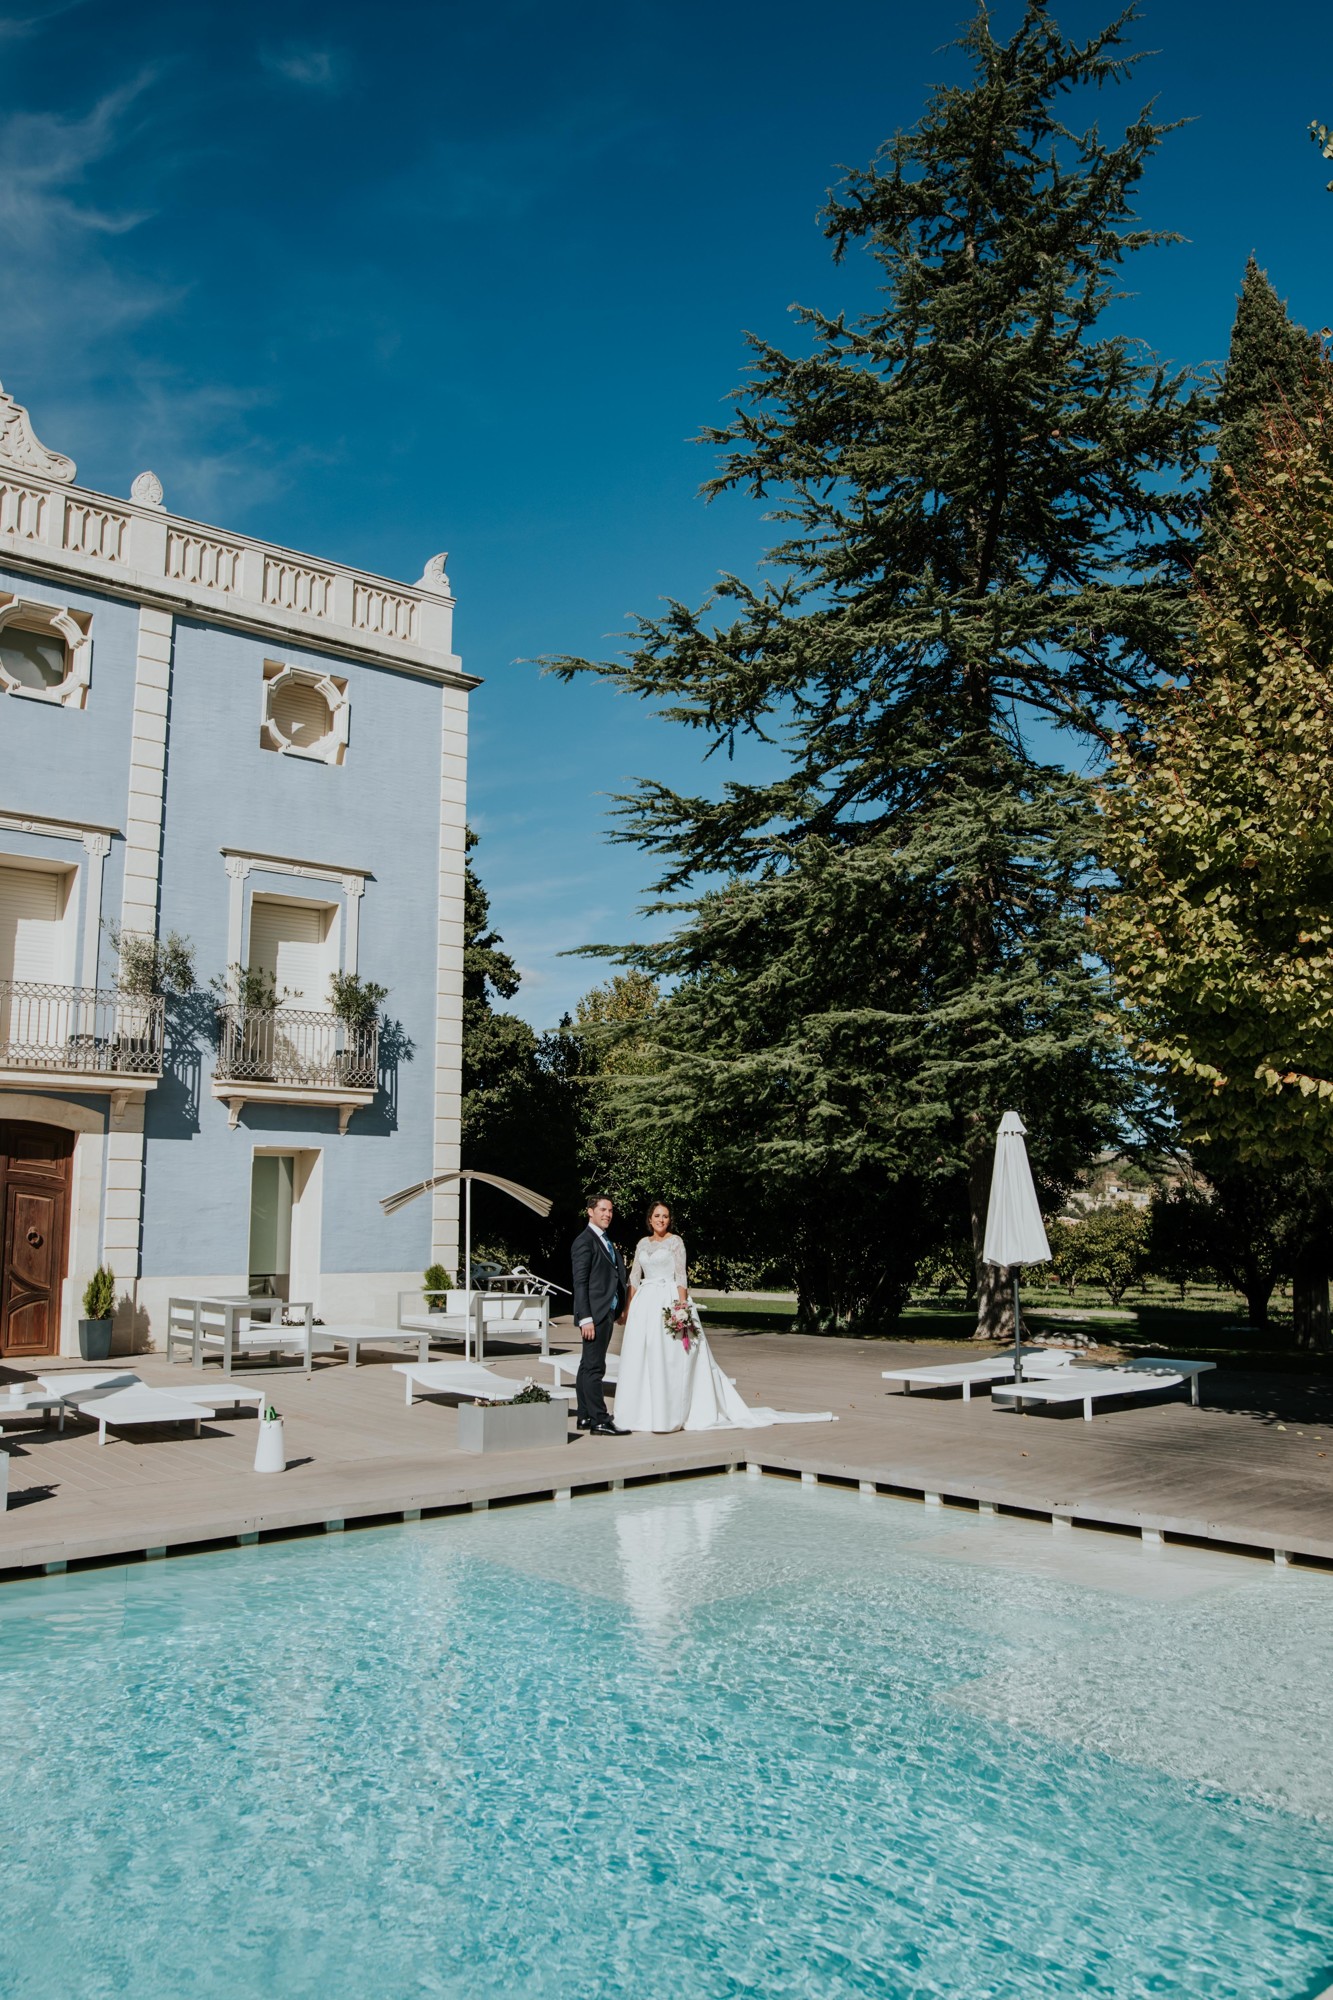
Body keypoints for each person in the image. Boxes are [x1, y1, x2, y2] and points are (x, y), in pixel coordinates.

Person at [615, 1200, 834, 1434]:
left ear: (670, 1220)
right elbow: (634, 1278)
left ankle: (668, 1413)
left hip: (668, 1300)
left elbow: (681, 1276)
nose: (661, 1220)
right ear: (650, 1219)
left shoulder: (676, 1242)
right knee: (642, 1356)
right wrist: (628, 1308)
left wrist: (681, 1307)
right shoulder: (642, 1244)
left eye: (665, 1216)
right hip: (644, 1305)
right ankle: (642, 1412)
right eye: (657, 1216)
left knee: (668, 1356)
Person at [570, 1194, 630, 1436]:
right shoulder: (584, 1241)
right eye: (603, 1210)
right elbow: (580, 1283)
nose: (608, 1214)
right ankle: (600, 1420)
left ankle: (585, 1416)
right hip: (594, 1315)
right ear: (590, 1211)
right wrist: (586, 1318)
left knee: (587, 1365)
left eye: (610, 1210)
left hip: (606, 1311)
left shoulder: (604, 1240)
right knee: (595, 1368)